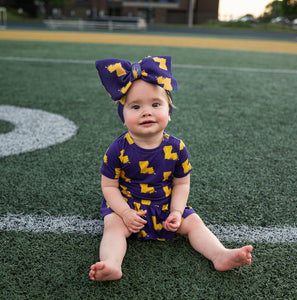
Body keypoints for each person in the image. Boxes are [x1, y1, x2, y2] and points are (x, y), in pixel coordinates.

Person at [89, 56, 253, 281]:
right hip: (128, 205)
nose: (146, 112)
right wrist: (126, 213)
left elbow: (181, 182)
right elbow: (109, 186)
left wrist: (176, 211)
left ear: (169, 112)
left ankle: (220, 254)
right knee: (113, 227)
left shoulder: (177, 147)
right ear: (124, 118)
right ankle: (111, 263)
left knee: (194, 223)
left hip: (166, 204)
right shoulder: (117, 149)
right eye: (135, 106)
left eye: (156, 104)